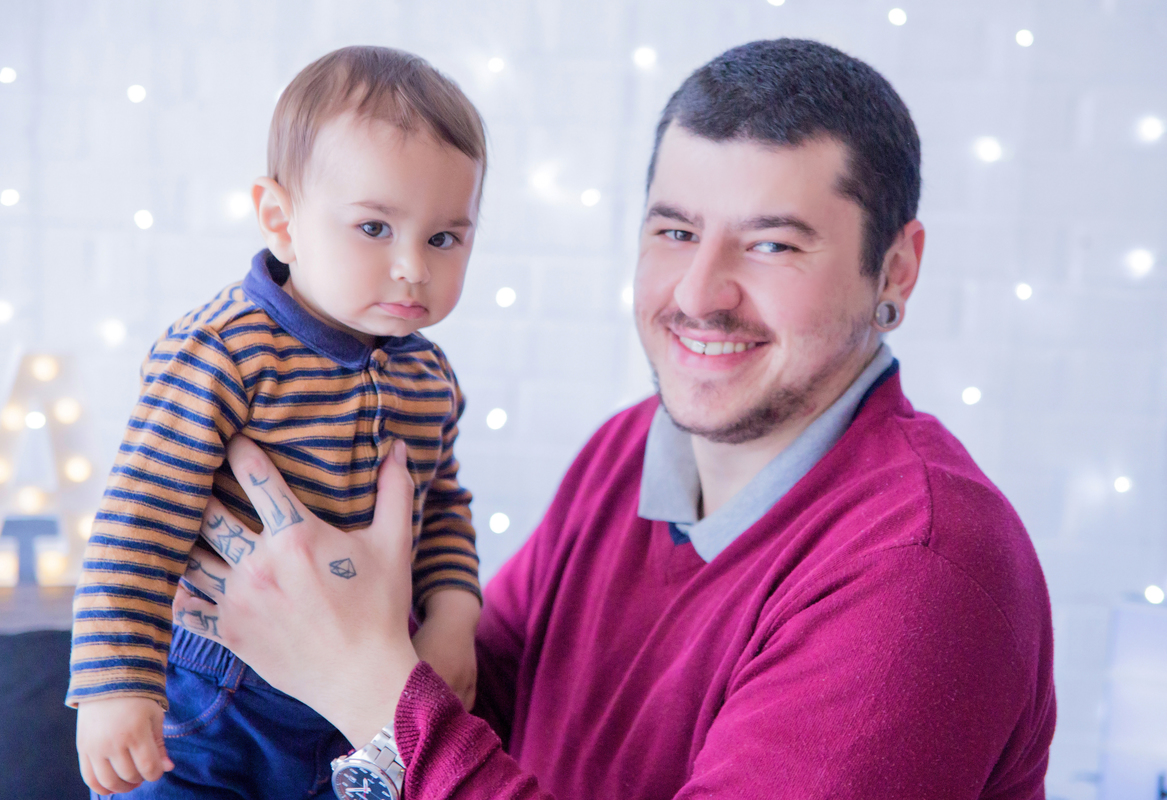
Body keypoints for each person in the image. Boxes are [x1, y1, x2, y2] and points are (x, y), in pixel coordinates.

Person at [173, 39, 1057, 798]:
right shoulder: (632, 448)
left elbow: (404, 713)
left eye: (772, 244)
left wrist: (365, 686)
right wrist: (295, 608)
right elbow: (473, 701)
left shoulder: (920, 568)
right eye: (674, 232)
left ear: (895, 271)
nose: (700, 294)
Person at [68, 46, 488, 797]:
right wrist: (114, 684)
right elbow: (140, 517)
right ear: (280, 219)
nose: (413, 267)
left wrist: (454, 615)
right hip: (213, 691)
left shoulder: (429, 376)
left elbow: (444, 507)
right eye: (374, 228)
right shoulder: (222, 350)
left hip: (357, 697)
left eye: (444, 237)